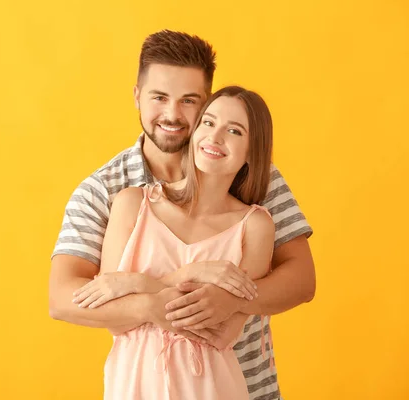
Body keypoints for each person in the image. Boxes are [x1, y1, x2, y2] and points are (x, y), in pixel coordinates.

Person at [49, 30, 315, 400]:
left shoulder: (255, 178)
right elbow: (62, 298)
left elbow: (302, 279)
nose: (172, 115)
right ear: (137, 96)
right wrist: (150, 303)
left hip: (247, 388)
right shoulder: (107, 191)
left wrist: (234, 301)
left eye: (189, 101)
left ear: (206, 102)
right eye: (159, 97)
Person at [74, 85, 275, 399]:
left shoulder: (256, 226)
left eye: (234, 130)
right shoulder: (132, 204)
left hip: (212, 388)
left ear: (253, 150)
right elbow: (112, 318)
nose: (215, 137)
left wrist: (131, 285)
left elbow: (221, 332)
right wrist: (190, 275)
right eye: (208, 122)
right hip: (134, 386)